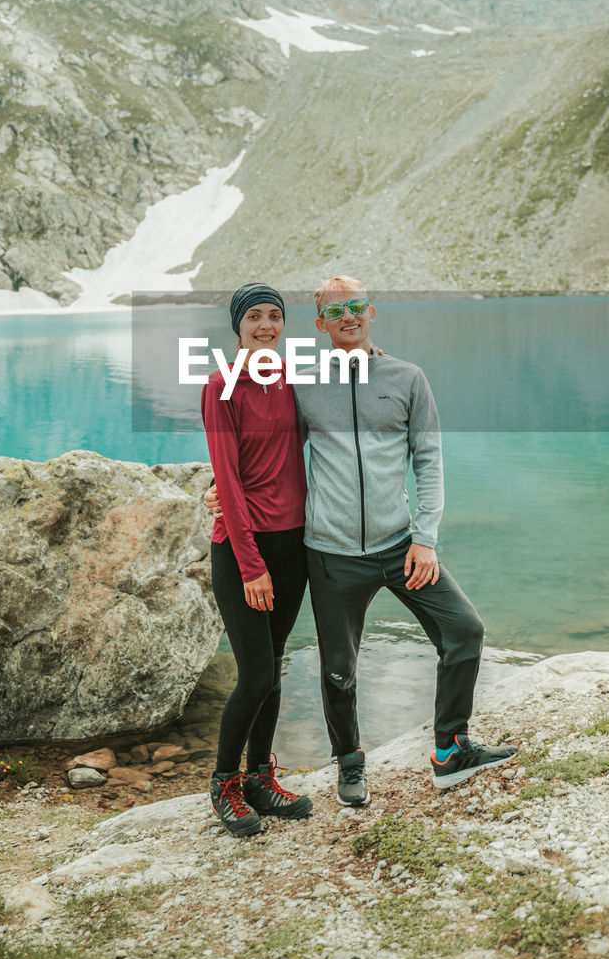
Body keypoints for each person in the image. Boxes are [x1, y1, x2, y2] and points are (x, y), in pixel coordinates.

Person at [207, 275, 515, 806]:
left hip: (402, 547)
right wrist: (215, 487)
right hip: (330, 552)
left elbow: (430, 461)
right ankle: (349, 763)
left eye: (356, 307)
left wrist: (427, 537)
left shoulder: (408, 377)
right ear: (321, 323)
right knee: (337, 668)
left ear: (371, 312)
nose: (347, 316)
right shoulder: (300, 384)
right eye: (335, 310)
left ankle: (450, 749)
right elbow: (258, 446)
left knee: (464, 630)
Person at [200, 282, 314, 837]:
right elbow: (227, 477)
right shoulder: (221, 386)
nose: (266, 326)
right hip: (244, 549)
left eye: (275, 316)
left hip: (295, 546)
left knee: (275, 666)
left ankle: (259, 776)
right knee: (257, 673)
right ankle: (224, 782)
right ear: (238, 326)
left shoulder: (293, 380)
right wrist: (250, 565)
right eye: (255, 318)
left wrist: (370, 357)